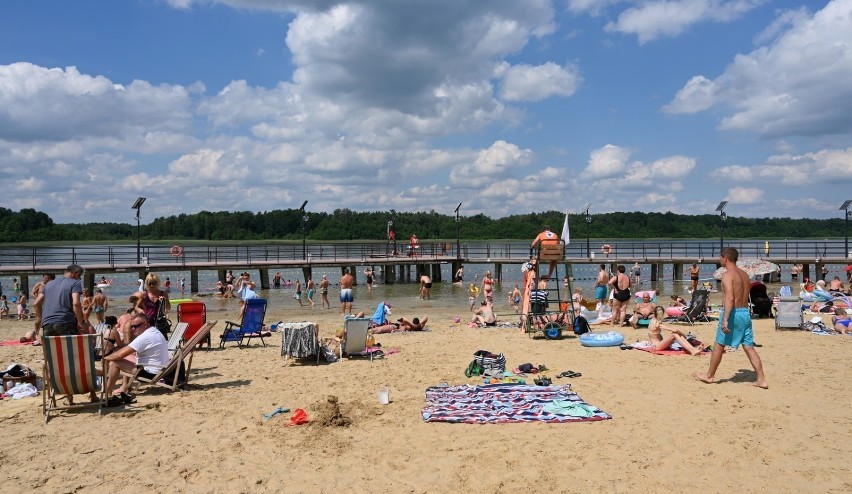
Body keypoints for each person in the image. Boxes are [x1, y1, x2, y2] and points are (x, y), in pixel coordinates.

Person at [695, 247, 768, 389]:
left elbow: (729, 297)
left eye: (720, 257)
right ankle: (761, 379)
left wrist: (726, 318)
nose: (719, 259)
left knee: (718, 344)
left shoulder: (728, 275)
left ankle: (709, 376)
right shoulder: (745, 275)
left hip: (733, 313)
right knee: (749, 346)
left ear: (725, 258)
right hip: (745, 313)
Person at [103, 314, 175, 407]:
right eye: (132, 327)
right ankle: (124, 387)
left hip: (151, 372)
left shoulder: (145, 337)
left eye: (136, 326)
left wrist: (105, 358)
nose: (133, 329)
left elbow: (120, 355)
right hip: (160, 368)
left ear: (145, 324)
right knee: (123, 357)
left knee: (115, 362)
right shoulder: (154, 331)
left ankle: (107, 394)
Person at [32, 264, 91, 337]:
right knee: (70, 347)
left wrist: (41, 319)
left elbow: (36, 304)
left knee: (52, 347)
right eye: (79, 277)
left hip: (47, 323)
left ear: (65, 272)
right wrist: (80, 322)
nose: (79, 279)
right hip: (65, 321)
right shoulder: (75, 283)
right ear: (77, 274)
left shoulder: (49, 284)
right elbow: (76, 303)